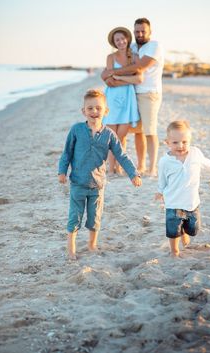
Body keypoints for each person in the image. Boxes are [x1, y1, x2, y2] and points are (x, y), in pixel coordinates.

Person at [58, 89, 142, 259]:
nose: (94, 112)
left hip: (98, 184)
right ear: (84, 111)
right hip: (78, 183)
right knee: (75, 216)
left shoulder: (109, 134)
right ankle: (71, 249)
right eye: (90, 108)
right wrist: (62, 171)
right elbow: (66, 153)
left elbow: (121, 155)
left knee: (94, 217)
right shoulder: (77, 130)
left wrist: (133, 173)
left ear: (106, 111)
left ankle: (91, 244)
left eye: (98, 108)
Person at [155, 120, 210, 257]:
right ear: (167, 142)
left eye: (184, 142)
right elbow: (162, 178)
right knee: (173, 230)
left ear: (190, 140)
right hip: (173, 202)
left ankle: (184, 233)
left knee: (193, 230)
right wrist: (160, 191)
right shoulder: (165, 161)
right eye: (175, 142)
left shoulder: (195, 154)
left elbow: (209, 165)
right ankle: (174, 250)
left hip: (192, 202)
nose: (180, 146)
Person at [102, 18, 164, 176]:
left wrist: (114, 74)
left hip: (149, 93)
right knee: (138, 132)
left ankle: (151, 169)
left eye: (143, 31)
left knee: (150, 131)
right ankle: (141, 166)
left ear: (150, 31)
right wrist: (106, 75)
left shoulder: (154, 46)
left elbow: (139, 68)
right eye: (137, 31)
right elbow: (108, 73)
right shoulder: (133, 47)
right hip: (132, 94)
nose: (140, 33)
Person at [103, 26, 143, 176]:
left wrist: (120, 77)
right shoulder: (110, 57)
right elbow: (109, 80)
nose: (120, 42)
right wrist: (126, 79)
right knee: (112, 136)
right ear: (114, 42)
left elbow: (138, 78)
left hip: (128, 98)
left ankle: (118, 167)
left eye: (122, 38)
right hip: (112, 98)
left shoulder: (134, 57)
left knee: (122, 136)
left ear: (127, 38)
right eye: (117, 40)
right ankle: (111, 168)